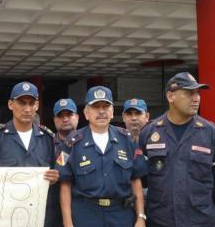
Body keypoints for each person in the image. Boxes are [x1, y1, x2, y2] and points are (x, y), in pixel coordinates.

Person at [57, 86, 147, 227]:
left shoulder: (127, 140)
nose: (101, 111)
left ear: (112, 112)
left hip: (121, 215)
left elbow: (136, 180)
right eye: (96, 107)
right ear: (86, 113)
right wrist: (67, 222)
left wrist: (141, 217)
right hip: (86, 215)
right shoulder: (71, 142)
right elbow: (65, 184)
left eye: (105, 106)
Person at [0, 81, 59, 227]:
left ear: (37, 106)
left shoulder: (48, 137)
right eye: (21, 103)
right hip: (6, 215)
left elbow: (58, 171)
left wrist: (55, 176)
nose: (27, 109)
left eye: (31, 103)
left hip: (40, 215)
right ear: (10, 104)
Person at [139, 72, 215, 227]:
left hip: (200, 221)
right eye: (189, 93)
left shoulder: (210, 133)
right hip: (161, 221)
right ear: (170, 97)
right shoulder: (149, 133)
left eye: (197, 93)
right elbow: (140, 179)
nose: (196, 98)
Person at [52, 98, 79, 227]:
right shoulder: (46, 143)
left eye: (69, 114)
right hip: (53, 208)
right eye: (60, 116)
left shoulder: (88, 141)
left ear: (77, 117)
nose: (65, 119)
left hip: (83, 206)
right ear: (54, 120)